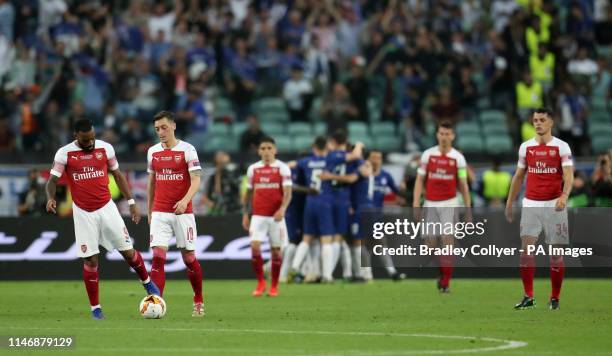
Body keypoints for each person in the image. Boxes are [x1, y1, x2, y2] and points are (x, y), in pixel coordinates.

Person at [45, 119, 160, 320]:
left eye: (92, 138)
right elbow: (52, 181)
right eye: (85, 140)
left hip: (107, 208)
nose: (90, 143)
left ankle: (147, 282)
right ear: (75, 136)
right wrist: (50, 197)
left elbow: (118, 175)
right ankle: (96, 309)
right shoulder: (64, 153)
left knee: (129, 253)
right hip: (82, 213)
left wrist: (131, 201)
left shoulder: (105, 148)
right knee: (90, 261)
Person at [505, 108, 574, 311]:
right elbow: (518, 176)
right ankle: (529, 296)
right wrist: (510, 202)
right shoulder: (526, 147)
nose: (537, 123)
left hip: (554, 204)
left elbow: (569, 175)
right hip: (531, 204)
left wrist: (564, 195)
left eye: (542, 120)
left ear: (551, 122)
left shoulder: (561, 147)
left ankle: (555, 298)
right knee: (526, 250)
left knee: (555, 254)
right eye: (535, 120)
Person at [147, 110, 204, 317]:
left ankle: (198, 299)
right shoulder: (152, 152)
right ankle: (155, 302)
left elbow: (196, 179)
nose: (160, 132)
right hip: (160, 212)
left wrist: (185, 201)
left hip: (183, 213)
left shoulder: (188, 150)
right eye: (157, 129)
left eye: (163, 128)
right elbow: (152, 182)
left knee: (189, 258)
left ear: (173, 126)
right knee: (157, 257)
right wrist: (150, 210)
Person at [413, 120, 471, 293]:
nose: (445, 137)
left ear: (452, 136)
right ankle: (443, 273)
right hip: (430, 203)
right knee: (429, 246)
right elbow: (419, 180)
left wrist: (468, 210)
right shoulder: (427, 155)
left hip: (450, 203)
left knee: (447, 241)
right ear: (437, 135)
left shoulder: (458, 158)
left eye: (448, 134)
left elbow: (463, 185)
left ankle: (445, 283)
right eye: (442, 133)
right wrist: (416, 202)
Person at [242, 137, 292, 297]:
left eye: (269, 148)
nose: (266, 151)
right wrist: (245, 214)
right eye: (263, 148)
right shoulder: (253, 169)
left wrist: (282, 209)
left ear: (275, 150)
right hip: (258, 215)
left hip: (276, 216)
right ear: (259, 151)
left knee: (276, 251)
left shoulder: (282, 168)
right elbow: (248, 194)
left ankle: (274, 286)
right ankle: (261, 282)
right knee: (255, 246)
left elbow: (288, 193)